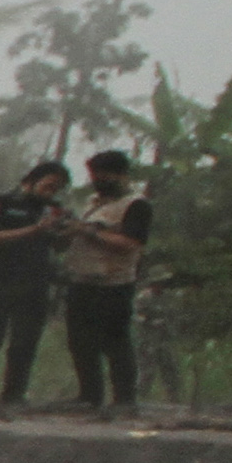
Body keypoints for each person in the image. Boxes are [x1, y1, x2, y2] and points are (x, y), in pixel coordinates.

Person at [0, 156, 69, 415]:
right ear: (32, 180)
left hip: (36, 284)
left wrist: (65, 231)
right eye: (48, 184)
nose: (51, 191)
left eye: (57, 188)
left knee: (25, 342)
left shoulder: (53, 209)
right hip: (0, 281)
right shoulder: (0, 204)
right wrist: (34, 229)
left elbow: (60, 246)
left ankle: (13, 394)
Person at [59, 147, 155, 412]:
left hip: (113, 283)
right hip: (82, 280)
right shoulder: (94, 203)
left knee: (115, 342)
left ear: (120, 175)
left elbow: (131, 243)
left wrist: (90, 233)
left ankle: (124, 399)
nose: (97, 181)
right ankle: (89, 395)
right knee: (80, 341)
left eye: (102, 175)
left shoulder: (136, 205)